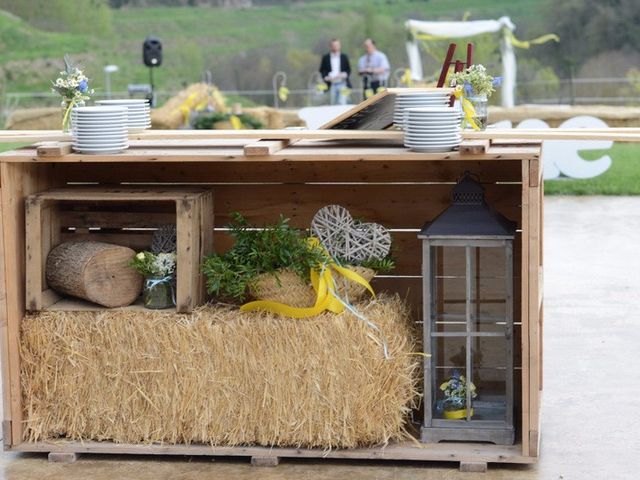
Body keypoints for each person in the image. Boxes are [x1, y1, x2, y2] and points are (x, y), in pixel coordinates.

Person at [319, 38, 351, 105]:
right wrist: (326, 77)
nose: (335, 47)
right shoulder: (326, 57)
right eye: (333, 45)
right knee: (333, 103)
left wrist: (343, 74)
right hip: (331, 84)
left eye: (337, 45)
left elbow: (348, 70)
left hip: (343, 83)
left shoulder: (344, 57)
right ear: (330, 46)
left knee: (342, 102)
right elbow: (322, 70)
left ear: (340, 46)